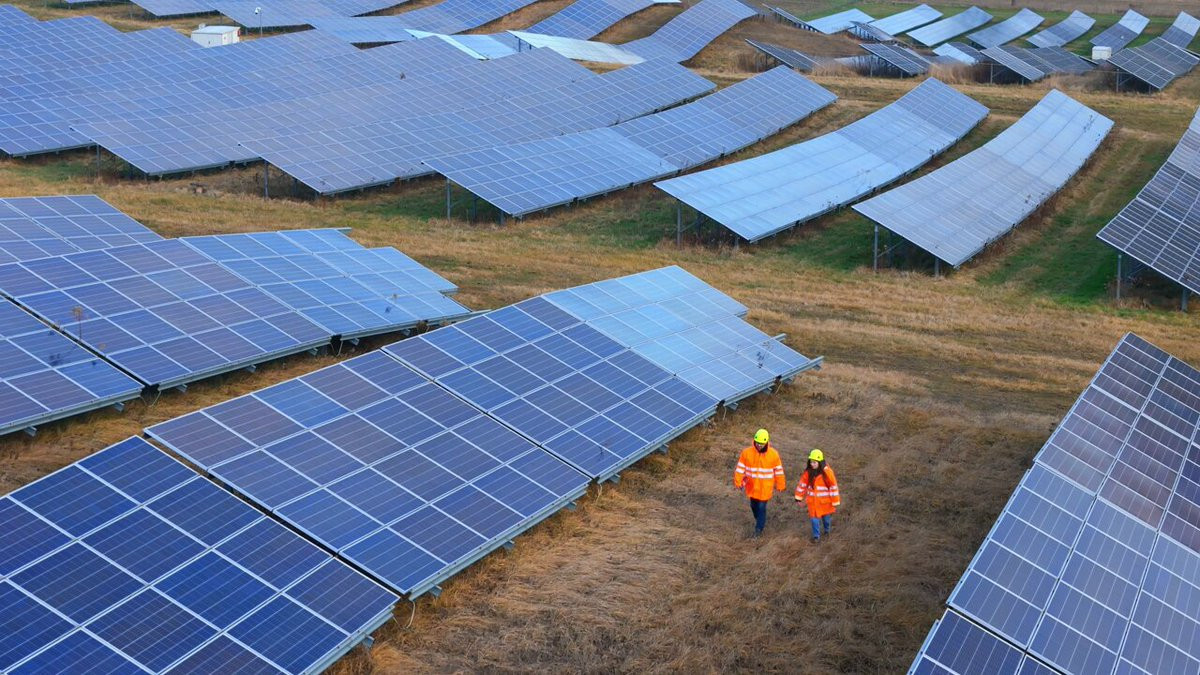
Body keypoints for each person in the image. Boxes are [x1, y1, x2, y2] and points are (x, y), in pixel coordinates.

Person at [733, 428, 786, 537]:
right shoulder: (746, 453)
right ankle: (759, 520)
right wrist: (738, 481)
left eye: (761, 443)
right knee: (753, 506)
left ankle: (758, 529)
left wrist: (780, 484)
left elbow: (779, 471)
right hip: (752, 487)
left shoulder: (773, 454)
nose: (759, 445)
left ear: (766, 442)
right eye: (757, 442)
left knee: (761, 507)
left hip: (765, 488)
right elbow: (740, 468)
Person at [795, 449, 839, 542]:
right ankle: (816, 537)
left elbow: (833, 487)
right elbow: (802, 484)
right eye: (811, 462)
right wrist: (798, 497)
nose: (812, 464)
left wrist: (835, 501)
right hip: (813, 502)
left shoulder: (827, 473)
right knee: (814, 520)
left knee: (826, 519)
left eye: (814, 462)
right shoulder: (808, 472)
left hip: (825, 502)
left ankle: (827, 531)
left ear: (820, 462)